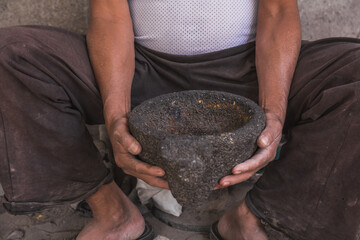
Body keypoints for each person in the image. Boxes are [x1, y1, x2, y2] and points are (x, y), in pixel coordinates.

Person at [0, 0, 359, 239]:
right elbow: (108, 16)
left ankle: (255, 219)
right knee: (11, 54)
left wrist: (274, 110)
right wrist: (115, 115)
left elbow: (279, 13)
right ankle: (111, 212)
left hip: (247, 72)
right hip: (140, 69)